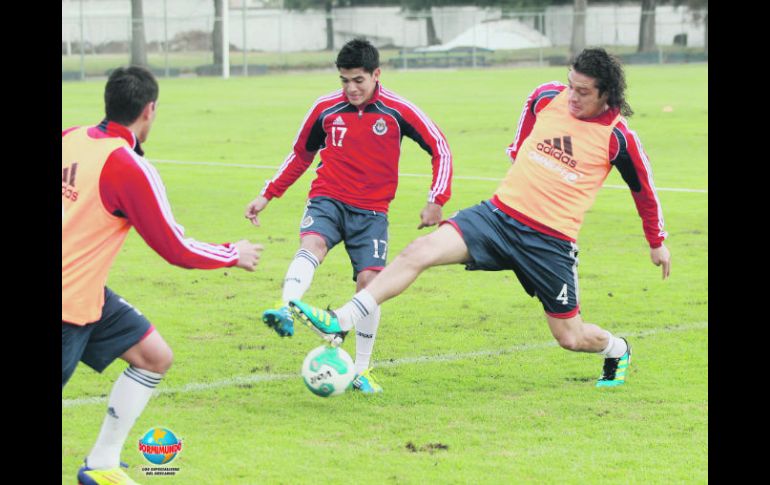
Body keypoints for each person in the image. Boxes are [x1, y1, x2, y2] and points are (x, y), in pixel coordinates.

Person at [289, 47, 671, 388]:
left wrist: (657, 243)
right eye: (571, 85)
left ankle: (617, 349)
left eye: (583, 92)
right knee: (419, 251)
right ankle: (340, 318)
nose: (572, 96)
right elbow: (521, 144)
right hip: (497, 217)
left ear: (607, 94)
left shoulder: (620, 139)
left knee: (570, 337)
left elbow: (645, 193)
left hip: (549, 244)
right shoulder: (545, 97)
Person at [62, 66, 263, 485]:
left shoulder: (70, 137)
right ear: (149, 110)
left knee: (154, 356)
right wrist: (233, 253)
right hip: (68, 302)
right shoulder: (128, 166)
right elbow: (176, 249)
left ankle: (101, 465)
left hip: (87, 294)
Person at [244, 38, 452, 393]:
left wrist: (436, 199)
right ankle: (285, 306)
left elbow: (440, 147)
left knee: (371, 283)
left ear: (376, 74)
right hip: (328, 198)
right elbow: (300, 155)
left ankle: (361, 370)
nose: (351, 88)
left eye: (358, 80)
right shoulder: (326, 108)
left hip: (372, 213)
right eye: (344, 80)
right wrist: (268, 194)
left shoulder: (397, 110)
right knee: (313, 244)